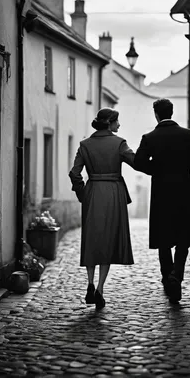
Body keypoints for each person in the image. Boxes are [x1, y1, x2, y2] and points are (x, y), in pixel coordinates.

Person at [134, 98, 190, 303]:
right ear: (172, 112)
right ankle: (177, 275)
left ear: (156, 115)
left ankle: (168, 278)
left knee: (164, 239)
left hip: (161, 194)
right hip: (184, 193)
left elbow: (138, 163)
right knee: (183, 238)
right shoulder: (188, 135)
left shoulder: (149, 137)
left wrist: (156, 169)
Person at [69, 108, 138, 310]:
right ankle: (99, 289)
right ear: (110, 122)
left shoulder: (85, 145)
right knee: (108, 241)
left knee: (92, 239)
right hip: (113, 193)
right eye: (117, 121)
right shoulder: (119, 143)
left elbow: (74, 173)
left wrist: (82, 193)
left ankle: (89, 283)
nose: (119, 125)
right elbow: (136, 162)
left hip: (92, 193)